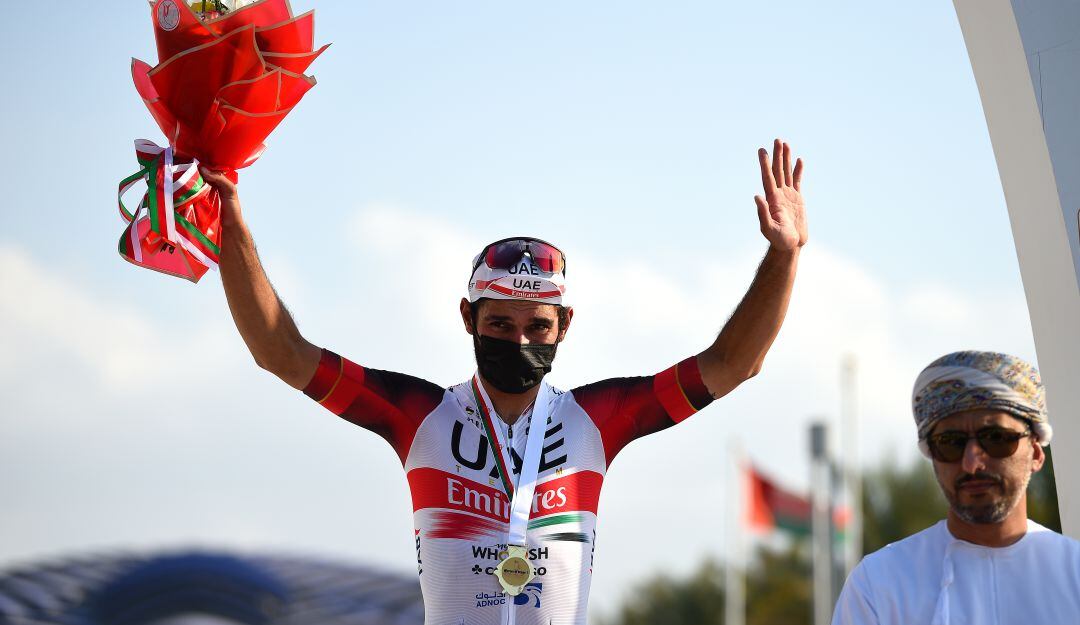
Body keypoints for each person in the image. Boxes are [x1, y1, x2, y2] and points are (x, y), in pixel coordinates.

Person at [199, 139, 807, 625]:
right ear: (466, 318)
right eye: (498, 323)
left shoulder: (599, 418)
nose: (518, 340)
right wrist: (231, 224)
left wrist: (784, 256)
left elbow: (733, 364)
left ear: (564, 325)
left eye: (536, 326)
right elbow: (280, 352)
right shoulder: (418, 415)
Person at [832, 351, 1080, 625]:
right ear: (932, 454)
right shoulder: (880, 583)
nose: (972, 462)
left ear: (1035, 453)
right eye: (951, 442)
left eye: (996, 438)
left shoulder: (1074, 572)